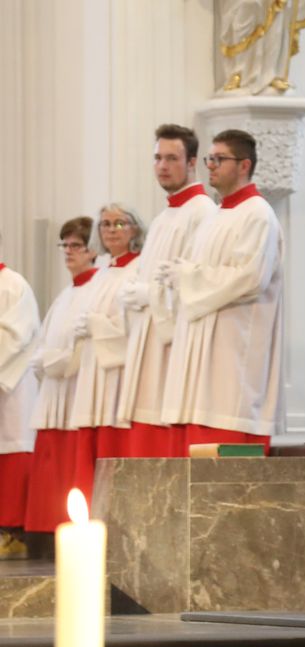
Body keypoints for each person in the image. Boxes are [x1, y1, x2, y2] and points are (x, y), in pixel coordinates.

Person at [159, 129, 283, 452]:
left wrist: (189, 277)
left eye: (219, 159)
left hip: (232, 365)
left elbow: (250, 277)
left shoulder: (258, 214)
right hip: (199, 365)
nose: (210, 166)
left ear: (244, 165)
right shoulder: (215, 217)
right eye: (209, 159)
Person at [116, 124, 217, 457]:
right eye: (158, 158)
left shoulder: (202, 212)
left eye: (171, 158)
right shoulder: (163, 217)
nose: (162, 165)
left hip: (173, 342)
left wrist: (152, 296)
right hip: (148, 338)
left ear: (192, 163)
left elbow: (197, 280)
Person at [24, 218, 100, 532]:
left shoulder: (97, 288)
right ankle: (47, 531)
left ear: (93, 250)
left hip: (76, 390)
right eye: (64, 245)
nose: (68, 251)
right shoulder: (66, 293)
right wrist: (45, 361)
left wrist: (56, 362)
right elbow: (43, 343)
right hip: (55, 390)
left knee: (73, 468)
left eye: (76, 245)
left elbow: (86, 347)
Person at [69, 203, 144, 480]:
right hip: (93, 370)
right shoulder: (101, 274)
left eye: (120, 223)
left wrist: (96, 326)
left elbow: (137, 326)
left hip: (120, 374)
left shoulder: (139, 269)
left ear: (134, 228)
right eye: (105, 224)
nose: (112, 230)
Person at [0, 236, 40, 540]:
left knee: (12, 447)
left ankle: (12, 531)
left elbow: (16, 336)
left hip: (9, 385)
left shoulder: (13, 285)